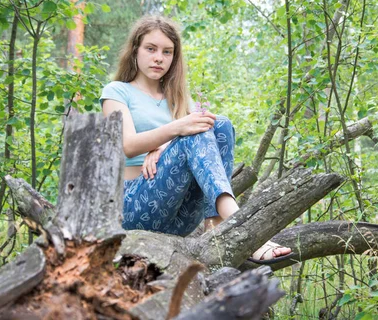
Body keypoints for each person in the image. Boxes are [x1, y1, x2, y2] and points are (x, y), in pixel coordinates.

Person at [100, 15, 295, 264]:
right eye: (151, 49)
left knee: (220, 123)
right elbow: (128, 145)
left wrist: (163, 145)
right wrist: (176, 129)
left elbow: (192, 136)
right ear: (135, 50)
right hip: (136, 207)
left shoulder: (178, 99)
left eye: (167, 52)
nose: (159, 57)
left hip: (179, 215)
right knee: (194, 128)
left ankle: (215, 225)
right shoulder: (117, 91)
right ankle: (243, 230)